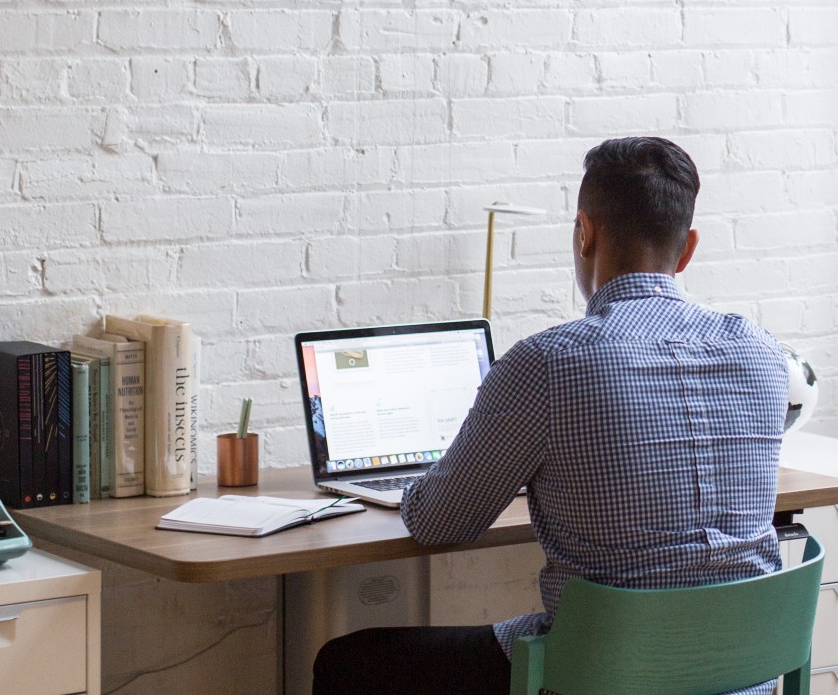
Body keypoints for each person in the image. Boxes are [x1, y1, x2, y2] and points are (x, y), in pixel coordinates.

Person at [312, 137, 791, 695]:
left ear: (584, 233)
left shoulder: (549, 363)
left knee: (348, 663)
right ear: (687, 250)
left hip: (601, 676)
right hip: (744, 676)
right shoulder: (762, 354)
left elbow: (441, 523)